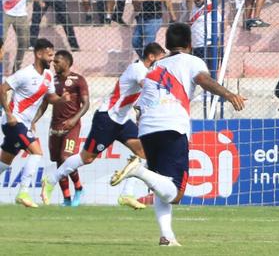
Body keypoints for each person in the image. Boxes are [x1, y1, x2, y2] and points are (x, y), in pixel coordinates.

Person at [109, 23, 245, 246]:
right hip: (172, 125)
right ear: (190, 44)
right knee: (176, 193)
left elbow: (140, 105)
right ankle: (138, 170)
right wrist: (228, 94)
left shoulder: (156, 66)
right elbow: (203, 80)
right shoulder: (192, 61)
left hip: (147, 128)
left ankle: (167, 236)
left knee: (162, 184)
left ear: (167, 44)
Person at [41, 42, 167, 209]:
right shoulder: (138, 69)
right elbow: (149, 89)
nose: (162, 63)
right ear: (151, 57)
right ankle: (50, 180)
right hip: (107, 118)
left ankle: (126, 195)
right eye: (161, 59)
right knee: (86, 158)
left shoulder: (145, 72)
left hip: (121, 120)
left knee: (144, 152)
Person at [0, 39, 68, 208]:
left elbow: (50, 97)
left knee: (4, 162)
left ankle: (22, 193)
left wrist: (61, 99)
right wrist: (9, 114)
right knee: (36, 152)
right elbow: (2, 89)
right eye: (49, 55)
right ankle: (23, 192)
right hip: (14, 122)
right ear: (38, 54)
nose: (52, 59)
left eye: (53, 55)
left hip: (25, 123)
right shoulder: (24, 74)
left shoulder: (48, 76)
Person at [31, 50, 90, 206]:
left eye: (57, 61)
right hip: (55, 127)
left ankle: (79, 188)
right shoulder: (52, 81)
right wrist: (33, 120)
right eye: (53, 61)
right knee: (58, 161)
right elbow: (44, 105)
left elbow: (86, 104)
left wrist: (74, 119)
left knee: (66, 158)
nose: (53, 64)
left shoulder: (78, 80)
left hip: (71, 126)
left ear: (67, 62)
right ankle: (67, 198)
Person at [2, 0, 41, 72]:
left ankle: (16, 68)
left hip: (21, 15)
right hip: (6, 13)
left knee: (24, 43)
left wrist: (39, 1)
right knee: (1, 40)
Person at [189, 0, 220, 72]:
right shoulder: (194, 8)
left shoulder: (211, 7)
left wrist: (217, 40)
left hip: (208, 46)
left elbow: (220, 23)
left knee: (210, 73)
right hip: (196, 47)